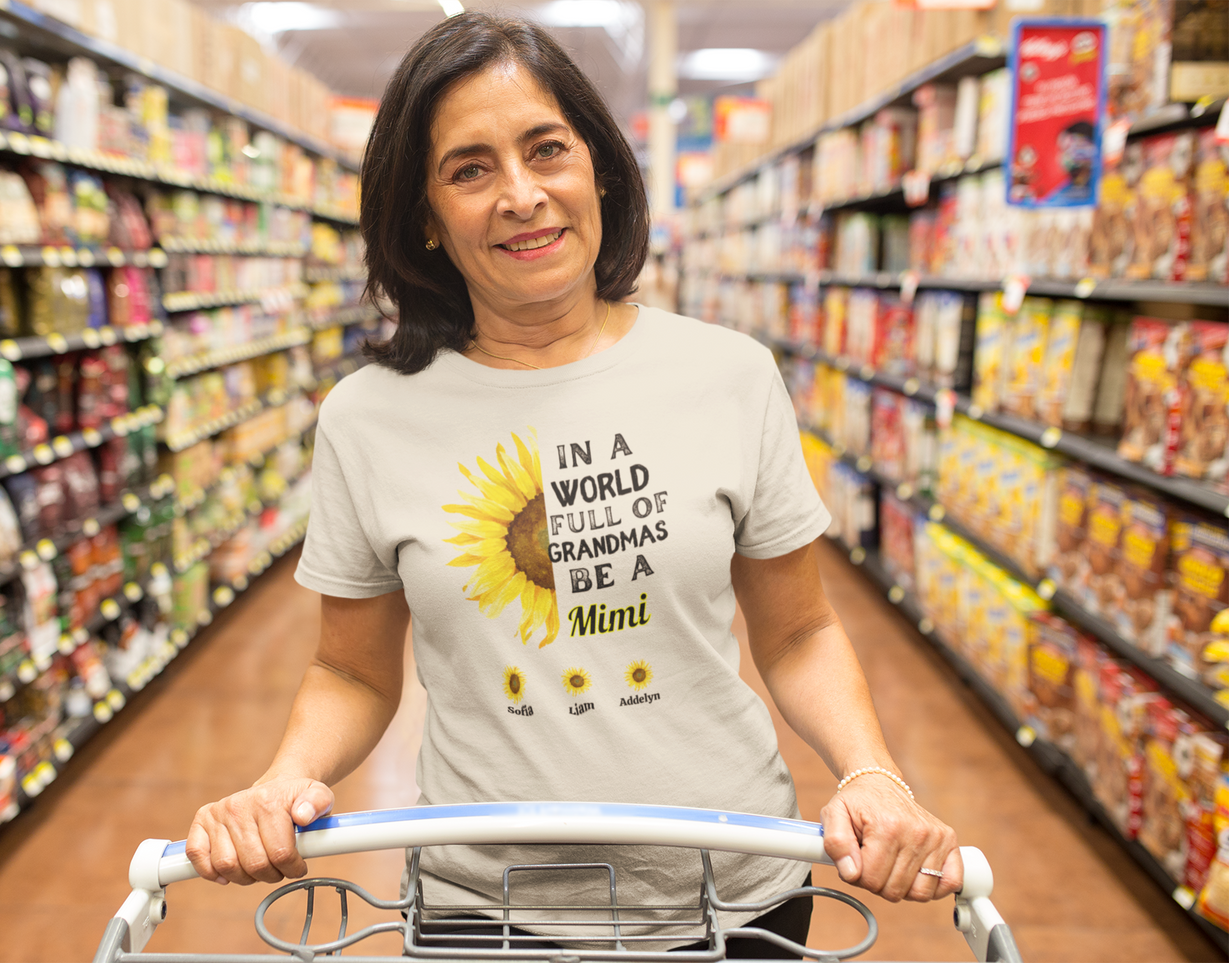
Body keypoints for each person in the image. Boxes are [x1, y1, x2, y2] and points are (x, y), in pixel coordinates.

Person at [187, 12, 962, 956]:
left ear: (598, 166)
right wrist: (281, 780)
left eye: (545, 149)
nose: (520, 195)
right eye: (468, 169)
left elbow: (797, 630)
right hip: (481, 902)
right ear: (424, 221)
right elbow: (349, 667)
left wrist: (870, 773)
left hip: (732, 893)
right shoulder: (366, 417)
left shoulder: (731, 372)